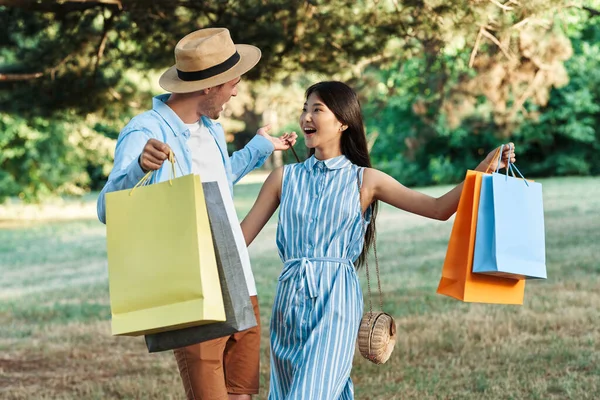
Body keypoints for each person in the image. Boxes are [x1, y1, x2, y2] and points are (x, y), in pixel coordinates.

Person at [240, 81, 515, 399]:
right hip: (289, 302)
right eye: (305, 109)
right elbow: (239, 238)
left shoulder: (365, 180)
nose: (306, 118)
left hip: (335, 301)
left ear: (343, 121)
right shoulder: (283, 179)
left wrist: (484, 170)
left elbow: (439, 209)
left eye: (317, 109)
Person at [97, 28, 297, 400]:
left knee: (241, 393)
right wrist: (138, 169)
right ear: (210, 86)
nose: (236, 91)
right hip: (194, 284)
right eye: (233, 84)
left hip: (240, 278)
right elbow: (108, 209)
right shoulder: (145, 131)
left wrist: (259, 148)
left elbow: (216, 185)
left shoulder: (212, 129)